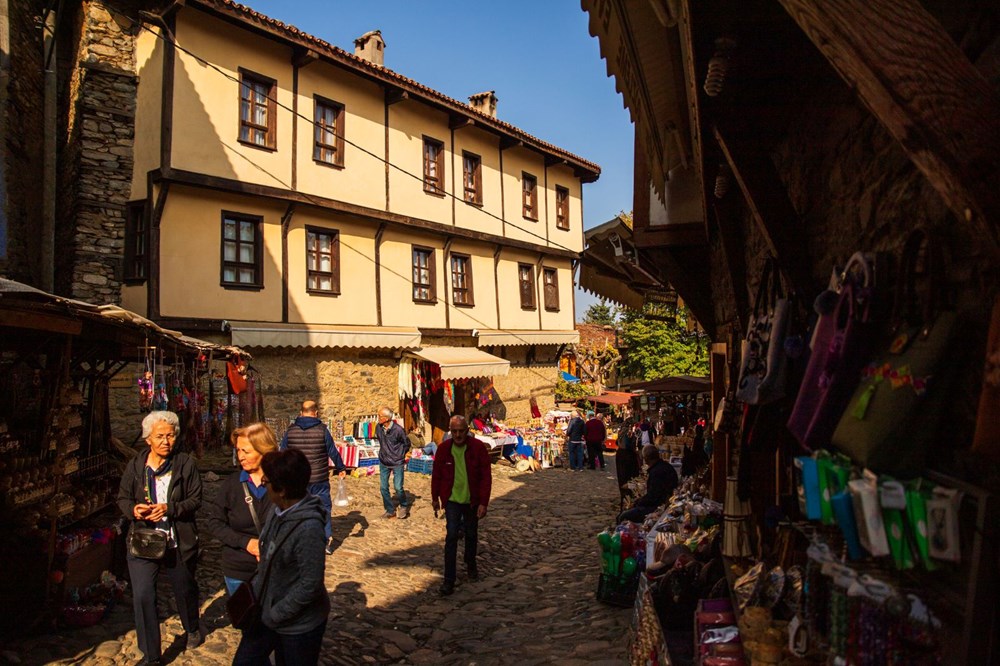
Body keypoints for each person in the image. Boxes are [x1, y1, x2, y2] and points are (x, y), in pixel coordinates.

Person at [117, 411, 203, 665]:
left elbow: (195, 500)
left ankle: (192, 628)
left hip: (178, 540)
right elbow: (122, 498)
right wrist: (134, 509)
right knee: (143, 595)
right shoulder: (135, 466)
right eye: (160, 436)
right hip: (144, 540)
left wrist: (169, 508)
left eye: (171, 435)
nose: (167, 441)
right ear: (148, 439)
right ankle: (151, 655)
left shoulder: (185, 464)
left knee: (184, 589)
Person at [233, 449, 329, 666]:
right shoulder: (277, 511)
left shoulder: (308, 529)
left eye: (266, 481)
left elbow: (310, 584)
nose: (263, 485)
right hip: (266, 612)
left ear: (282, 490)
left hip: (297, 626)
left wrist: (275, 614)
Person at [205, 423, 277, 598]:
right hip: (238, 569)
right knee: (247, 620)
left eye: (246, 451)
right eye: (238, 451)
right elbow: (215, 523)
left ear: (263, 450)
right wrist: (246, 543)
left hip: (275, 568)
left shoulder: (281, 483)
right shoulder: (232, 484)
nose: (240, 457)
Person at [431, 415, 493, 596]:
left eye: (461, 431)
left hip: (472, 501)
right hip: (451, 501)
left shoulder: (478, 449)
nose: (458, 435)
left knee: (471, 534)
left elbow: (485, 477)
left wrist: (484, 502)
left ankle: (470, 562)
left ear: (467, 431)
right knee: (451, 537)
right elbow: (437, 475)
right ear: (451, 431)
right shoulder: (443, 450)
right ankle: (448, 580)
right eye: (454, 431)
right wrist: (435, 498)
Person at [280, 400, 347, 554]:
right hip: (319, 478)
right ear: (315, 413)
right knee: (323, 508)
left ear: (301, 412)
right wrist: (341, 467)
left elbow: (282, 452)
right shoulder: (322, 430)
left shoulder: (291, 431)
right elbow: (332, 451)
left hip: (296, 479)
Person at [617, 444, 679, 524]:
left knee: (623, 516)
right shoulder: (665, 466)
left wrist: (637, 503)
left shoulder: (656, 472)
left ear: (646, 459)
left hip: (659, 506)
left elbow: (653, 497)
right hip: (662, 501)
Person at [376, 406, 411, 519]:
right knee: (383, 487)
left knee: (398, 487)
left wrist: (400, 454)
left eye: (380, 416)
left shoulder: (398, 430)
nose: (378, 418)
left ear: (386, 418)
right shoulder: (378, 427)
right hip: (384, 461)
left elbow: (406, 443)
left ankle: (404, 505)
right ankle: (390, 510)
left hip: (397, 462)